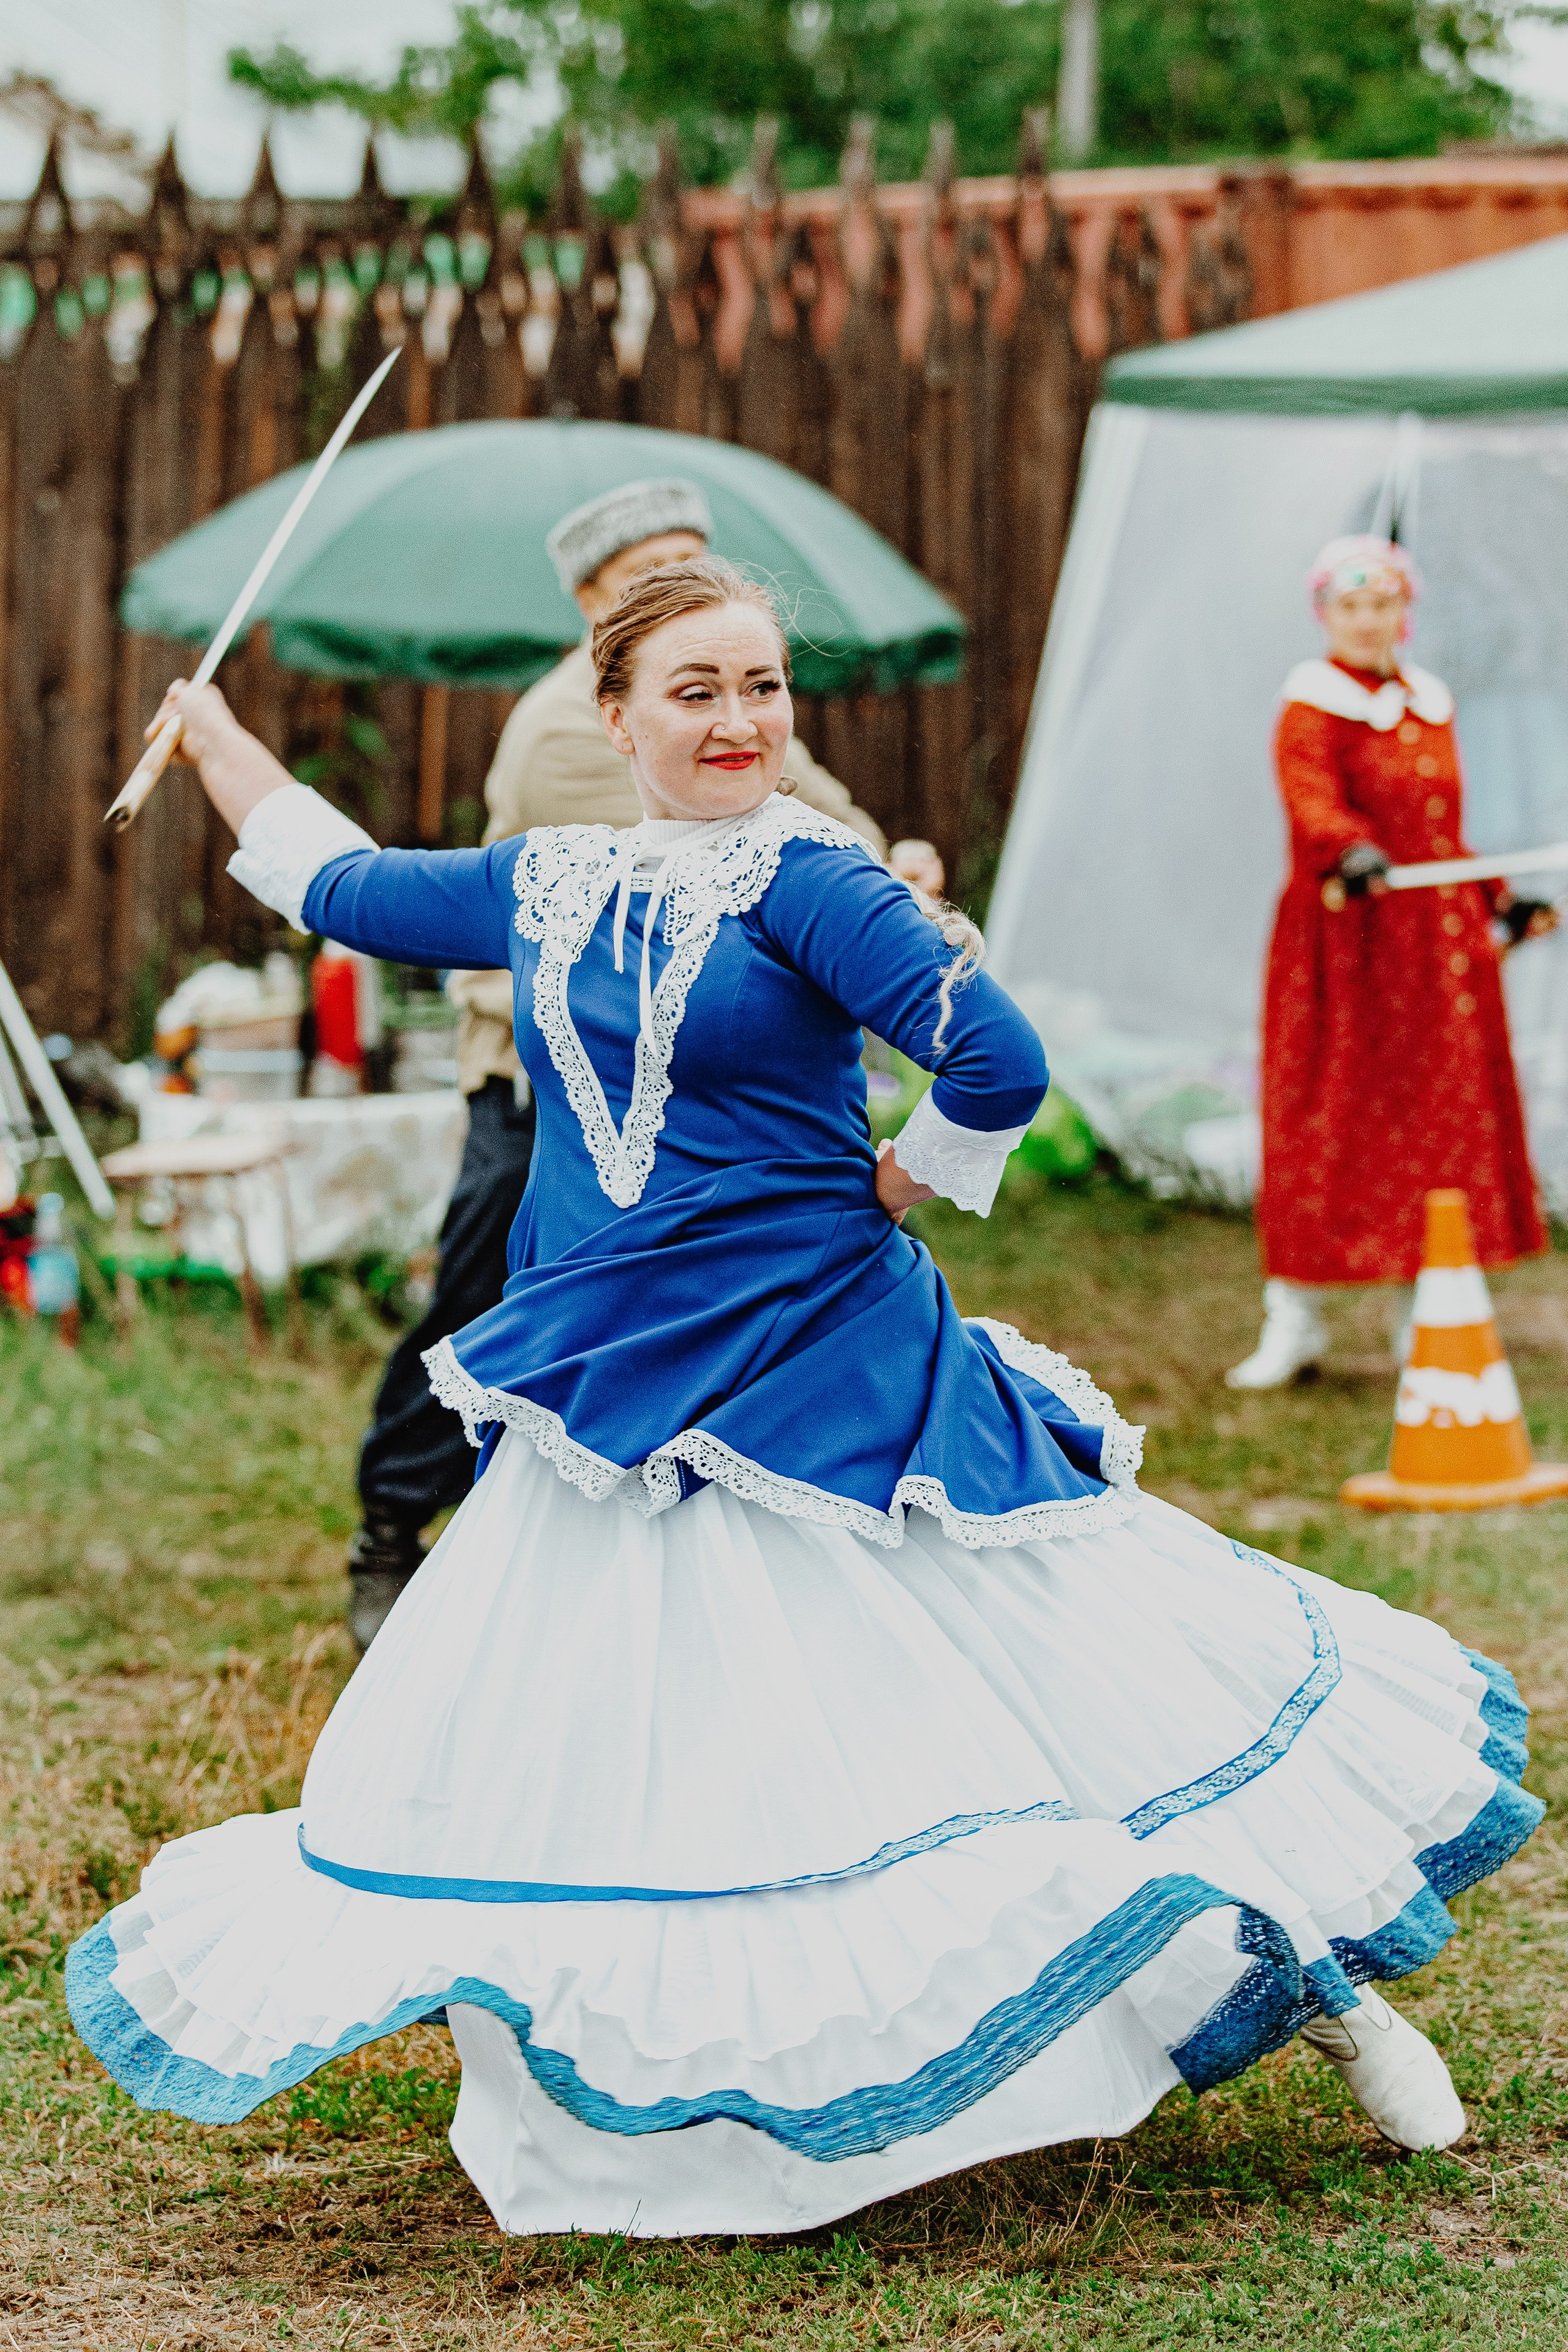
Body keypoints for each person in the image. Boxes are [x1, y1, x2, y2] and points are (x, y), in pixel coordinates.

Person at [69, 559, 1541, 2237]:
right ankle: (737, 2076)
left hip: (820, 1367)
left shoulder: (811, 877)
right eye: (694, 690)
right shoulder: (550, 878)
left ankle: (1326, 1988)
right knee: (685, 1757)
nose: (737, 721)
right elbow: (343, 884)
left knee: (1040, 1708)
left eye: (761, 687)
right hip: (606, 1372)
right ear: (612, 714)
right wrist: (214, 738)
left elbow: (995, 1058)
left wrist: (903, 1180)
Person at [349, 479, 884, 1649]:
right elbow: (711, 868)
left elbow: (835, 830)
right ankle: (394, 1526)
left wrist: (888, 887)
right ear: (594, 602)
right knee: (493, 1306)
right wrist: (865, 896)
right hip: (548, 1071)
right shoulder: (573, 728)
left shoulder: (715, 691)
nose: (684, 586)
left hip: (692, 1072)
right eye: (652, 571)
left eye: (697, 558)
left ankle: (694, 1569)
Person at [1229, 535, 1557, 1390]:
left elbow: (1441, 835)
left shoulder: (1427, 702)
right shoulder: (1313, 705)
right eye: (1351, 606)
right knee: (1325, 1121)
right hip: (1347, 950)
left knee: (1435, 1125)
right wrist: (1349, 848)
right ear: (1325, 614)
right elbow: (1309, 801)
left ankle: (1430, 1313)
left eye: (1383, 604)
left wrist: (1496, 900)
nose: (1368, 621)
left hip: (1432, 955)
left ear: (1405, 612)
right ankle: (1293, 1318)